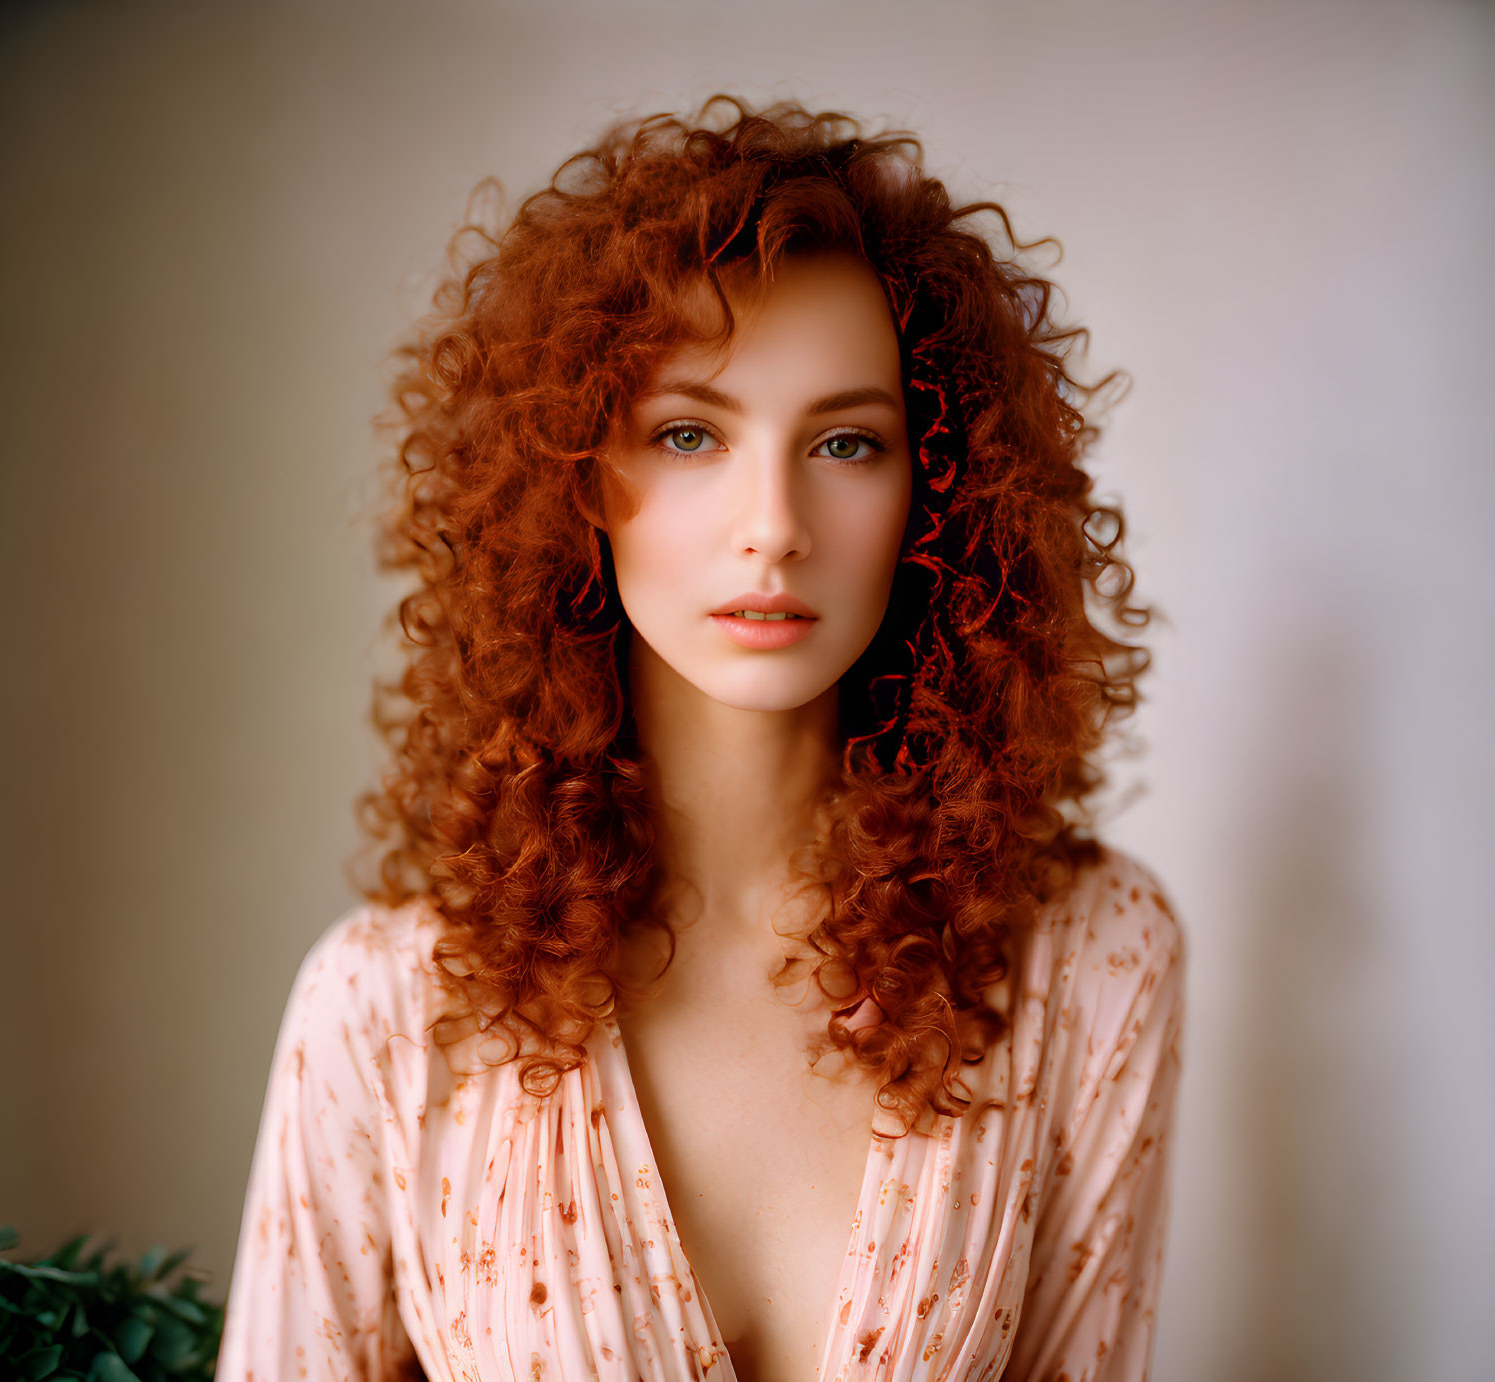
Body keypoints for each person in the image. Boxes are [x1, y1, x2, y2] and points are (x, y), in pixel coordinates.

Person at [215, 96, 1186, 1382]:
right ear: (573, 475)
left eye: (846, 441)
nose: (772, 523)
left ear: (934, 491)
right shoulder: (389, 1011)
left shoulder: (1086, 959)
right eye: (689, 433)